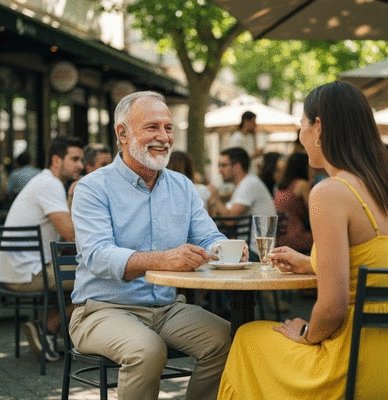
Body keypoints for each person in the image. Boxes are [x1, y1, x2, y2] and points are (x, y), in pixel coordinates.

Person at [217, 81, 388, 400]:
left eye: (301, 124)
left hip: (351, 367)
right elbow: (374, 263)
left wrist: (305, 332)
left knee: (247, 335)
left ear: (318, 127)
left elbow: (332, 308)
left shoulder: (330, 192)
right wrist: (311, 263)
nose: (300, 137)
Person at [69, 91, 241, 400]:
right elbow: (98, 256)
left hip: (167, 309)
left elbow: (207, 237)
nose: (163, 137)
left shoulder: (182, 185)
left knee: (229, 338)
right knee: (148, 349)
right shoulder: (92, 188)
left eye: (168, 128)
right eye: (152, 127)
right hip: (101, 310)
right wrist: (164, 259)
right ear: (122, 133)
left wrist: (225, 248)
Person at [0, 136, 84, 362]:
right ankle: (47, 326)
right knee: (104, 280)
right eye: (74, 159)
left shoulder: (45, 182)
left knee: (91, 274)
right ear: (56, 160)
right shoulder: (49, 184)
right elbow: (71, 235)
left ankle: (54, 330)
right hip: (27, 274)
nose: (81, 165)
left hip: (18, 270)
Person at [209, 147, 275, 262]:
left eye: (224, 165)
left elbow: (229, 219)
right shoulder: (244, 184)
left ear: (237, 166)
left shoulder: (249, 184)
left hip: (256, 252)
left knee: (209, 259)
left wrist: (215, 197)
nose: (220, 170)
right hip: (247, 248)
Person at [274, 151, 313, 253]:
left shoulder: (281, 187)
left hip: (280, 237)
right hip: (296, 237)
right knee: (327, 239)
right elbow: (315, 212)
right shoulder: (302, 184)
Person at [66, 142, 112, 207]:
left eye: (111, 164)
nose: (109, 168)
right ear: (89, 167)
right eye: (103, 165)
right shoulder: (80, 188)